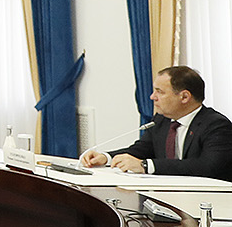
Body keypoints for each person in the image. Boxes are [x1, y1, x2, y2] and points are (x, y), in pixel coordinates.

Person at [80, 65, 232, 179]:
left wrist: (146, 166)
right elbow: (141, 149)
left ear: (184, 97)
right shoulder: (161, 120)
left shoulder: (216, 125)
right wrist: (106, 158)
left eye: (160, 92)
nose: (152, 97)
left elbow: (207, 167)